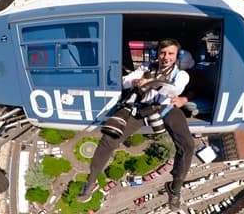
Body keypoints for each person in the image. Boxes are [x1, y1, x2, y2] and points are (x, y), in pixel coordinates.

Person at [78, 39, 195, 210]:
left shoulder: (181, 74)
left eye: (171, 53)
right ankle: (91, 182)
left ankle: (175, 189)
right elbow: (125, 80)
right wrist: (134, 82)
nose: (166, 57)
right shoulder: (147, 68)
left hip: (165, 108)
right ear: (158, 54)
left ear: (177, 56)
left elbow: (174, 90)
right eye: (163, 53)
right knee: (108, 140)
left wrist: (149, 84)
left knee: (187, 145)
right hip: (141, 109)